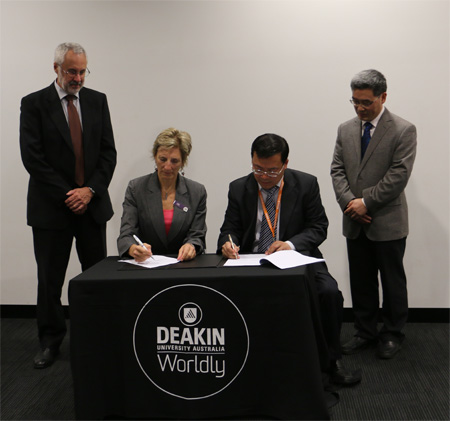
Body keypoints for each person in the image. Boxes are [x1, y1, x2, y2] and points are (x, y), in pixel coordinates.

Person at [217, 133, 361, 390]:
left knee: (329, 292)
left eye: (272, 171)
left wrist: (291, 244)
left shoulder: (306, 184)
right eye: (258, 168)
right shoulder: (239, 187)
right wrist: (228, 243)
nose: (264, 176)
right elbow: (229, 228)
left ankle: (332, 360)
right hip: (251, 259)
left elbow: (319, 227)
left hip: (297, 259)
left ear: (285, 164)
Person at [20, 42, 117, 369]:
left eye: (82, 71)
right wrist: (70, 194)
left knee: (96, 278)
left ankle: (96, 339)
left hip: (92, 207)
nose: (78, 78)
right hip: (51, 209)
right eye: (71, 71)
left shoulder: (97, 101)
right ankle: (50, 342)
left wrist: (89, 191)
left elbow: (108, 154)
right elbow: (33, 159)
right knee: (50, 281)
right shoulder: (34, 104)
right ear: (56, 68)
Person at [330, 69, 417, 359]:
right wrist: (350, 203)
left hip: (387, 220)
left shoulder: (403, 130)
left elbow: (398, 175)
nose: (360, 108)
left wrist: (366, 203)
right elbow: (337, 170)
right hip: (354, 220)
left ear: (383, 97)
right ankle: (364, 332)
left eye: (366, 102)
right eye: (355, 101)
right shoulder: (345, 129)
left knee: (392, 282)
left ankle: (392, 333)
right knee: (361, 280)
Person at [117, 128, 206, 262]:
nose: (167, 166)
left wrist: (191, 245)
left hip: (183, 264)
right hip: (145, 264)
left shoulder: (197, 192)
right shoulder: (136, 188)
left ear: (183, 162)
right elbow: (126, 234)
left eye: (174, 161)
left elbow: (197, 235)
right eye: (163, 159)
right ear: (155, 157)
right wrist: (133, 249)